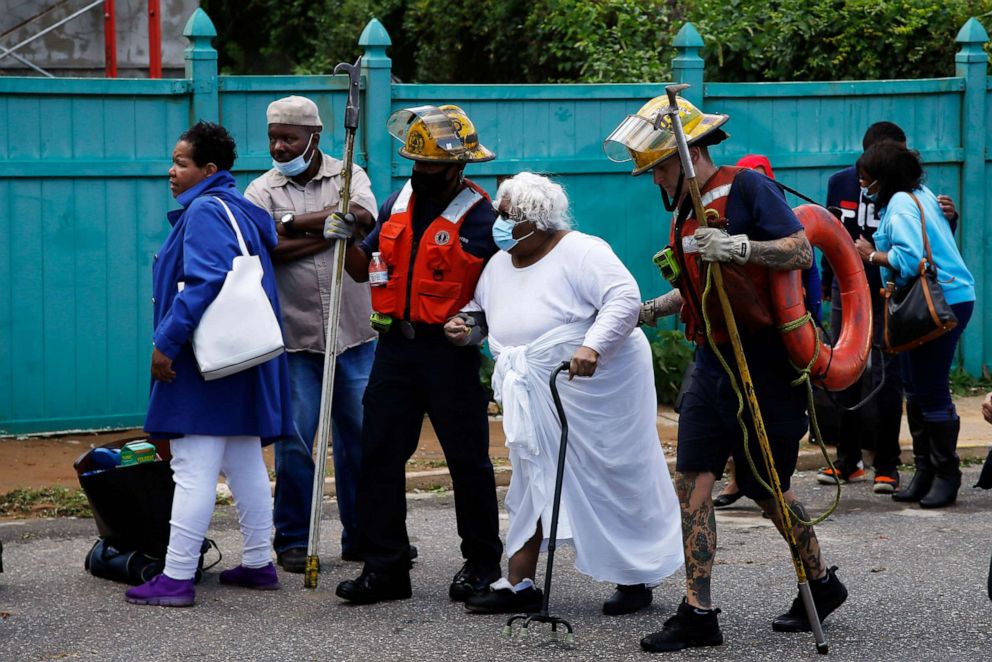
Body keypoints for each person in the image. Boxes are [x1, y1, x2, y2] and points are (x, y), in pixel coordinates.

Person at [605, 95, 848, 652]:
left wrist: (740, 246)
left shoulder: (748, 189)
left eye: (660, 166)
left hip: (762, 362)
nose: (655, 179)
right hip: (710, 360)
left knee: (767, 489)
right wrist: (646, 311)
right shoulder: (683, 210)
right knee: (693, 482)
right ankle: (699, 611)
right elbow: (698, 287)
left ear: (690, 154)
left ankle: (820, 580)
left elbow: (800, 252)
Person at [442, 173, 684, 616]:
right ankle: (518, 581)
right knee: (531, 475)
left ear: (535, 221)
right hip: (534, 394)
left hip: (597, 391)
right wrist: (464, 327)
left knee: (612, 476)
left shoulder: (582, 251)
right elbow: (480, 316)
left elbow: (623, 300)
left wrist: (591, 346)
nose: (497, 222)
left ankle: (634, 575)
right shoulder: (499, 263)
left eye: (506, 215)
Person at [334, 105, 504, 605]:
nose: (422, 173)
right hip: (395, 350)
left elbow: (501, 291)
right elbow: (363, 271)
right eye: (417, 163)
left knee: (468, 461)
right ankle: (385, 567)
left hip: (450, 356)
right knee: (379, 455)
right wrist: (345, 242)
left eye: (433, 166)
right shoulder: (396, 203)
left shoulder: (483, 219)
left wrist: (477, 325)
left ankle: (481, 564)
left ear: (459, 166)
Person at [126, 121, 293, 607]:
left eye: (181, 163)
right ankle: (260, 562)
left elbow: (205, 281)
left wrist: (166, 341)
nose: (171, 171)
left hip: (205, 361)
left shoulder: (203, 211)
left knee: (193, 466)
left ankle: (176, 577)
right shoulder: (244, 208)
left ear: (208, 169)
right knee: (243, 460)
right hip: (246, 355)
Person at [244, 96, 377, 571]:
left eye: (289, 138)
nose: (279, 147)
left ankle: (363, 536)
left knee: (360, 437)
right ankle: (295, 538)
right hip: (294, 338)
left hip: (354, 335)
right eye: (274, 138)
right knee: (296, 441)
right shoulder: (260, 190)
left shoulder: (348, 176)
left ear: (314, 137)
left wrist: (295, 230)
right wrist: (320, 228)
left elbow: (362, 219)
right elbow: (265, 248)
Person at [817, 122, 959, 494]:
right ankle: (848, 461)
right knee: (844, 372)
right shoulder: (843, 183)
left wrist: (950, 220)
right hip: (849, 291)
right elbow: (831, 233)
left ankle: (888, 464)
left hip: (893, 293)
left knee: (889, 376)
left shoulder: (908, 196)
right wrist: (828, 280)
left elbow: (922, 251)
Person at [854, 139, 975, 509]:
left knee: (931, 388)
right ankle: (925, 470)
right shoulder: (919, 194)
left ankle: (947, 475)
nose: (862, 186)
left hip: (938, 302)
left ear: (882, 179)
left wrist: (870, 254)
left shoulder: (902, 205)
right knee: (913, 385)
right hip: (940, 297)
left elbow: (910, 260)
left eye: (866, 179)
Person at [712, 155, 822, 509]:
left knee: (770, 452)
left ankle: (766, 490)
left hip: (776, 341)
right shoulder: (708, 208)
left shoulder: (781, 222)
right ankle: (736, 480)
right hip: (718, 344)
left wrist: (738, 247)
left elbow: (807, 264)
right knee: (725, 425)